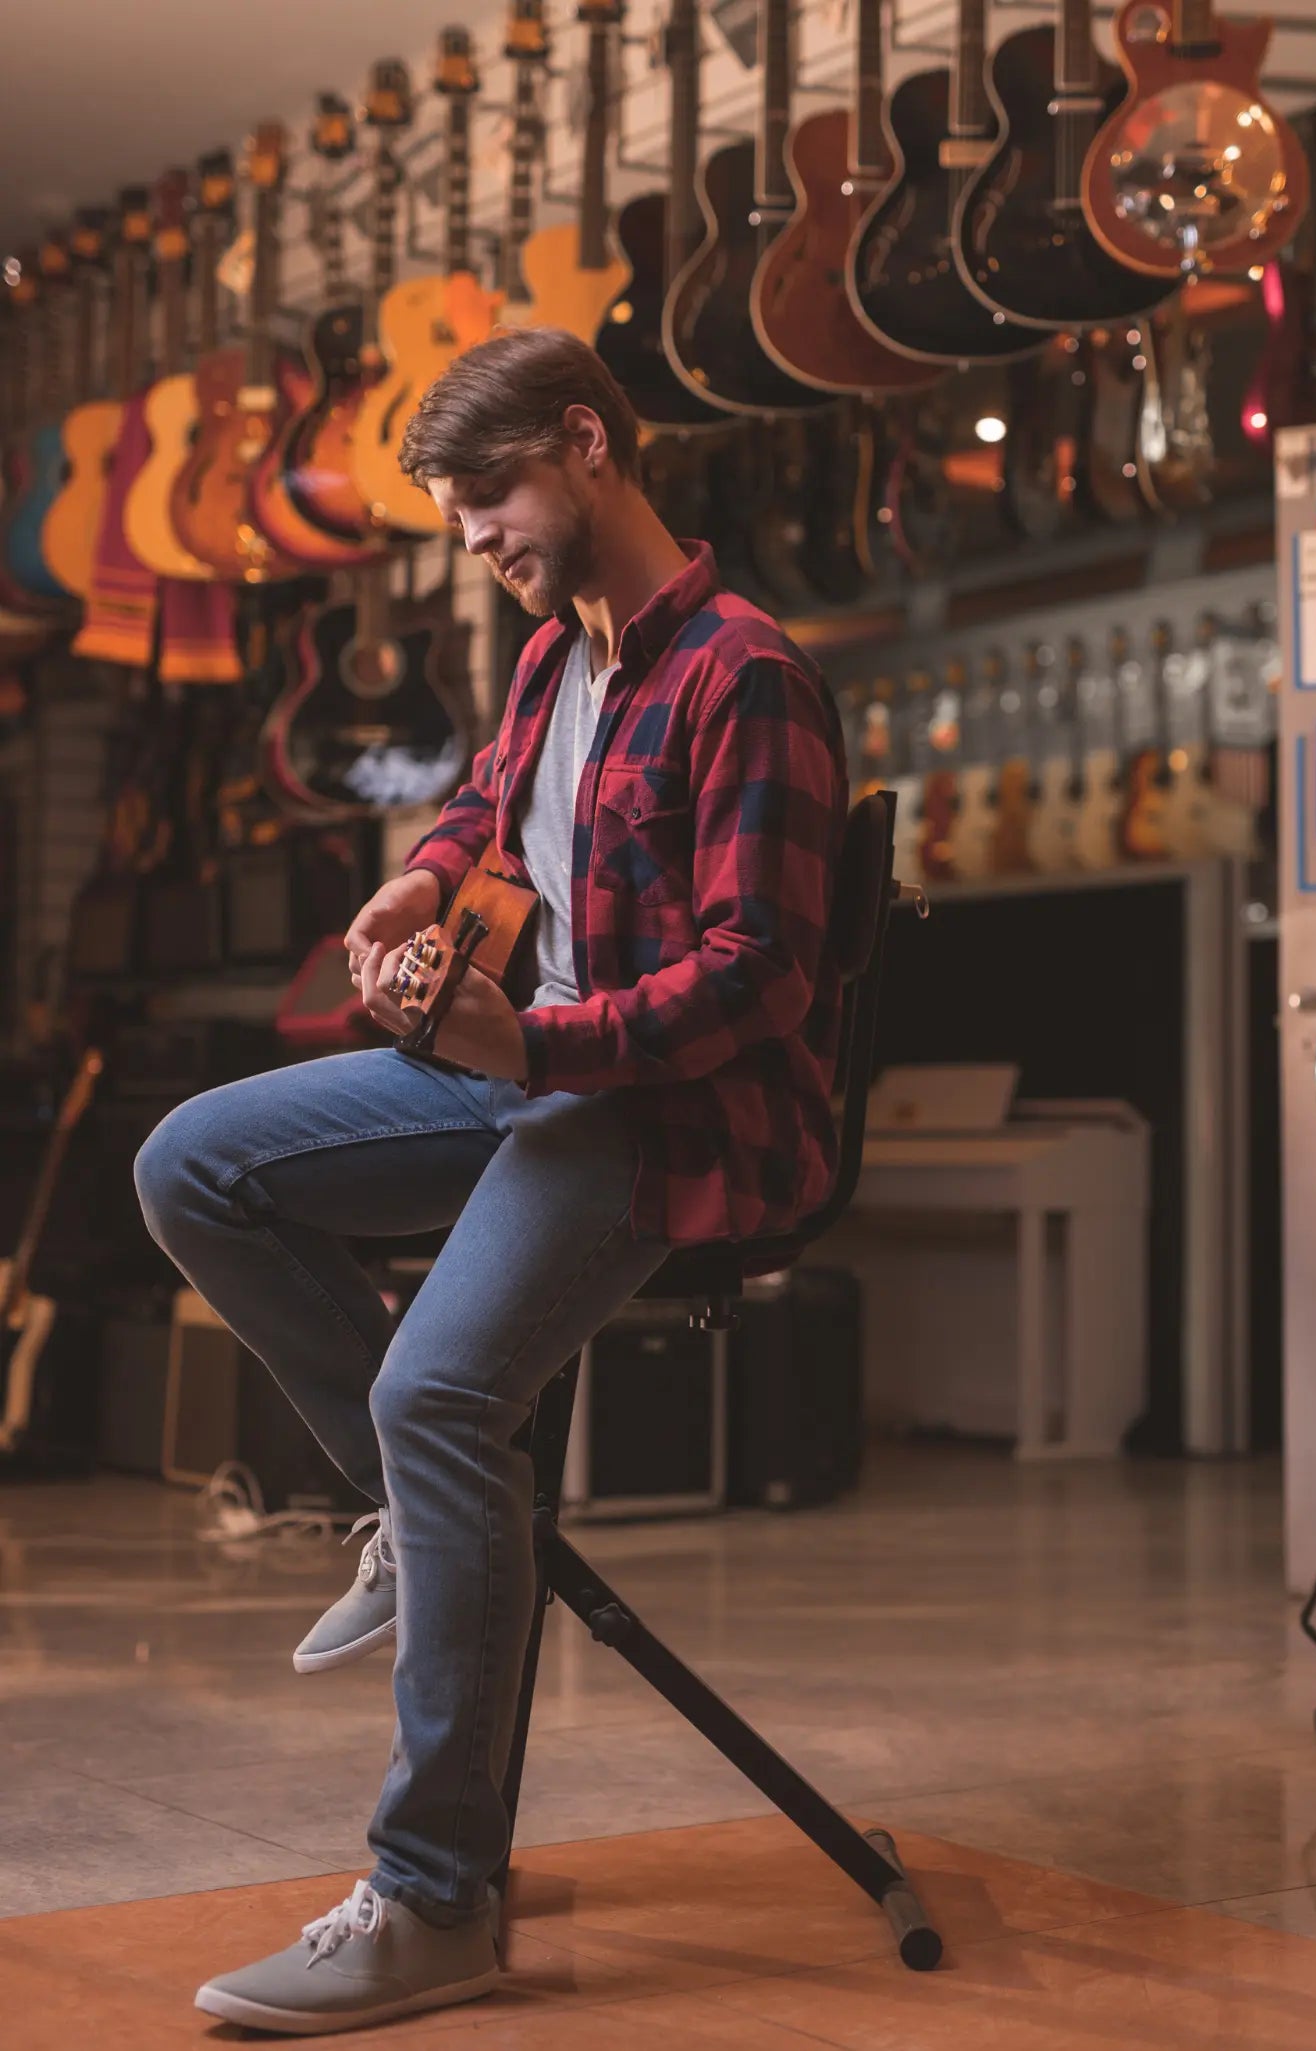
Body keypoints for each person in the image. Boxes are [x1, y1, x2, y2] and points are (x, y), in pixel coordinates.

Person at [133, 325, 849, 2036]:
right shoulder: (557, 655)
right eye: (451, 506)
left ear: (587, 445)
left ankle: (438, 1900)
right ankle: (414, 1518)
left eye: (485, 494)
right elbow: (486, 811)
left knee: (446, 1400)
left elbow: (765, 978)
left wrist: (538, 1051)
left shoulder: (742, 669)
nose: (468, 534)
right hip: (518, 1075)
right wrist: (416, 890)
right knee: (191, 1164)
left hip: (652, 1113)